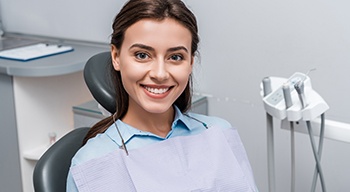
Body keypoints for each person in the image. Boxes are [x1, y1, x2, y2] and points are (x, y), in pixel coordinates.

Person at [67, 0, 258, 191]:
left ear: (190, 62)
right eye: (142, 55)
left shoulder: (218, 132)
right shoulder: (92, 161)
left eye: (175, 57)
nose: (160, 74)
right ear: (116, 57)